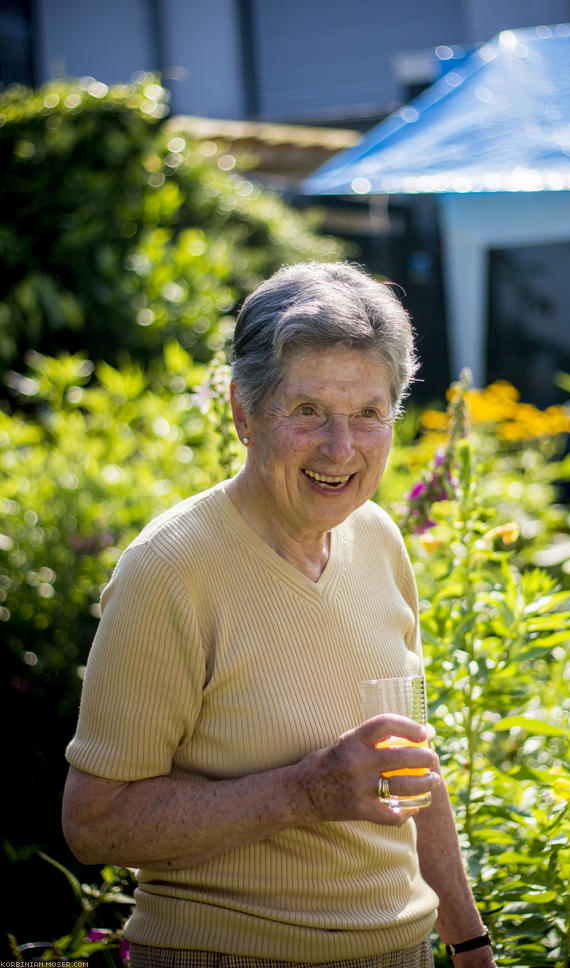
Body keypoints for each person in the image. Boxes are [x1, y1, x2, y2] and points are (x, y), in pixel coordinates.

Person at [62, 262, 496, 968]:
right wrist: (305, 792)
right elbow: (95, 826)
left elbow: (412, 769)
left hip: (401, 952)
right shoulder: (169, 570)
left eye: (367, 413)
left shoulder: (378, 538)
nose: (340, 448)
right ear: (242, 412)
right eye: (307, 412)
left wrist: (469, 942)